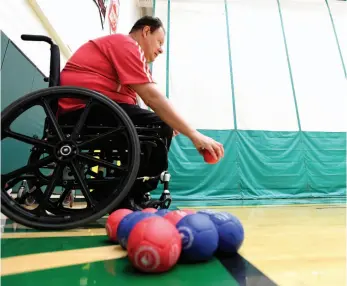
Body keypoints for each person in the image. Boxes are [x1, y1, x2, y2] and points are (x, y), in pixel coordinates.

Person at [57, 16, 224, 209]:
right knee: (158, 126)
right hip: (85, 110)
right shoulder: (126, 44)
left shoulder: (126, 58)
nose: (161, 49)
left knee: (159, 125)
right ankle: (126, 193)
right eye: (159, 42)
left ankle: (123, 192)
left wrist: (166, 122)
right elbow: (151, 97)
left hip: (94, 109)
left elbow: (141, 105)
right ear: (146, 31)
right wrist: (193, 134)